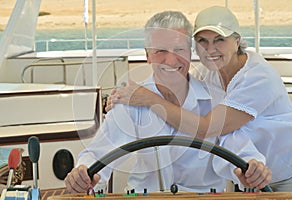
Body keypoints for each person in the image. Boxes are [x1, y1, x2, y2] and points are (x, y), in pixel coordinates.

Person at [65, 10, 271, 194]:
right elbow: (98, 153)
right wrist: (83, 173)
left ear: (190, 53)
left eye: (179, 50)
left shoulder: (216, 100)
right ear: (147, 56)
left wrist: (252, 169)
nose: (171, 61)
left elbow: (241, 152)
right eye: (160, 51)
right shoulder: (128, 102)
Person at [108, 6, 292, 192]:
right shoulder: (212, 74)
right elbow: (184, 89)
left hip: (290, 171)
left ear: (237, 41)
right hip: (249, 170)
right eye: (202, 41)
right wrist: (120, 98)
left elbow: (206, 128)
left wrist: (148, 98)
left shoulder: (258, 78)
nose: (210, 49)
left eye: (219, 40)